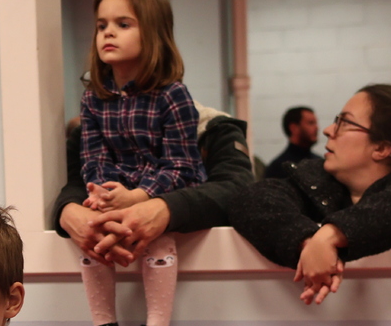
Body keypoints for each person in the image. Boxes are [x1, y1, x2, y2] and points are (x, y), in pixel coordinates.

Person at [229, 84, 391, 305]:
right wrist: (309, 243)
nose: (328, 130)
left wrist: (333, 234)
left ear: (381, 147)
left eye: (345, 123)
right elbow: (252, 199)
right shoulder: (314, 182)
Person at [74, 0, 204, 326]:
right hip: (116, 199)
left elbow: (182, 165)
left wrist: (139, 195)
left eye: (123, 24)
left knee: (158, 240)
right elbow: (92, 158)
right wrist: (101, 193)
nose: (108, 33)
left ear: (153, 34)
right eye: (101, 25)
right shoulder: (93, 99)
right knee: (92, 238)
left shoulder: (172, 96)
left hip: (161, 196)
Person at [54, 101, 253, 294]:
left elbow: (236, 187)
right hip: (103, 266)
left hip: (202, 275)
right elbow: (76, 183)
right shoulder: (89, 131)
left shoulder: (215, 129)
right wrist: (68, 210)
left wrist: (165, 208)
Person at [264, 106, 320, 179]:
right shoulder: (278, 168)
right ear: (293, 128)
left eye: (315, 123)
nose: (317, 128)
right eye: (310, 123)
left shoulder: (320, 163)